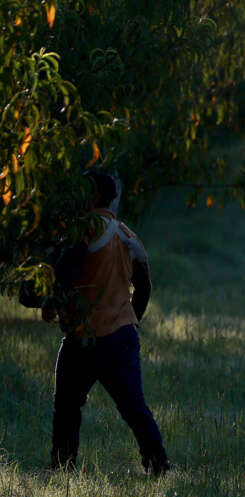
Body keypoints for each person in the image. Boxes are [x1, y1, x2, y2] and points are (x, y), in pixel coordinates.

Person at [42, 171, 170, 475]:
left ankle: (63, 471)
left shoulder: (83, 229)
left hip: (83, 337)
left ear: (93, 196)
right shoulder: (127, 234)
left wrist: (52, 304)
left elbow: (66, 271)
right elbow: (145, 286)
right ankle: (159, 465)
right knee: (134, 408)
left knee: (67, 409)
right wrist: (130, 321)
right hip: (121, 337)